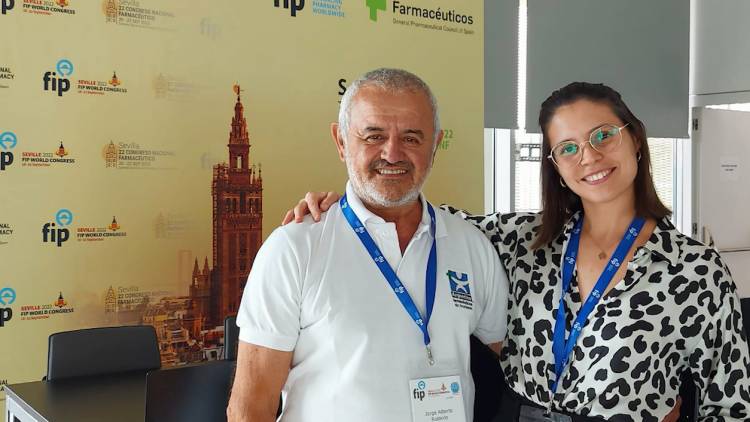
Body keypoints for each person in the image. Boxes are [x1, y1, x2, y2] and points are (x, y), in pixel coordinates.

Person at [284, 82, 750, 420]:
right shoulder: (521, 241)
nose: (588, 156)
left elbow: (729, 403)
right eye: (567, 147)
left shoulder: (695, 270)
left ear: (635, 138)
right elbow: (412, 213)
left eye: (603, 135)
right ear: (555, 167)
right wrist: (341, 203)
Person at [227, 68, 509, 422]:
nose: (392, 154)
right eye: (373, 136)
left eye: (412, 138)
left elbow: (499, 358)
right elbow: (251, 407)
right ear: (341, 142)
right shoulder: (295, 248)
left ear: (435, 145)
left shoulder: (472, 246)